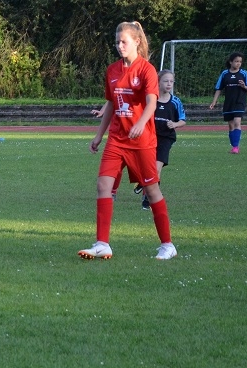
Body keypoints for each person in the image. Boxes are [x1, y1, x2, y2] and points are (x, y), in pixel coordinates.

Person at [79, 21, 177, 261]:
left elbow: (152, 102)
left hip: (142, 142)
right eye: (117, 42)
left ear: (137, 42)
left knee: (151, 190)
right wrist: (99, 135)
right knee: (103, 186)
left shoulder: (146, 70)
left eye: (124, 41)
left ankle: (167, 245)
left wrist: (141, 123)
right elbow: (112, 104)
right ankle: (102, 244)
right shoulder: (112, 70)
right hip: (116, 140)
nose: (119, 46)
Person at [139, 70, 186, 209]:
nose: (169, 84)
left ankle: (148, 199)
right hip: (149, 137)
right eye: (166, 81)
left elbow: (183, 120)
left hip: (166, 138)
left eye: (171, 81)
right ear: (158, 82)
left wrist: (175, 124)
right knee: (147, 167)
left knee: (156, 169)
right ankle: (144, 185)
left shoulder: (175, 102)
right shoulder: (150, 99)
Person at [209, 52, 247, 154]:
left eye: (240, 62)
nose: (238, 63)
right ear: (231, 62)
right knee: (231, 125)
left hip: (239, 102)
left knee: (237, 122)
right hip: (228, 103)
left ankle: (236, 148)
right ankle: (234, 147)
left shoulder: (244, 73)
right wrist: (214, 102)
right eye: (236, 61)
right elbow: (219, 88)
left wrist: (244, 86)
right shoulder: (225, 74)